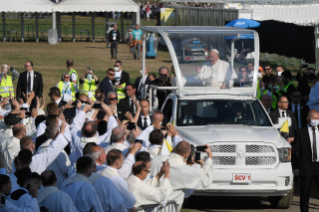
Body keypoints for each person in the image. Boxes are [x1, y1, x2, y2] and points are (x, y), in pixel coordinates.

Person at [150, 141, 213, 210]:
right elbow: (206, 176)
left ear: (175, 148)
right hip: (168, 208)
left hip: (149, 204)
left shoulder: (157, 158)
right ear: (187, 154)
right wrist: (209, 156)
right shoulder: (185, 170)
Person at [292, 109, 319, 212]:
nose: (316, 121)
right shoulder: (301, 132)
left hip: (318, 166)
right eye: (314, 118)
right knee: (304, 194)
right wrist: (296, 167)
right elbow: (295, 151)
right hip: (306, 166)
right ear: (308, 119)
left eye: (317, 119)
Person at [37, 125, 71, 190]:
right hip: (58, 182)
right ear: (57, 134)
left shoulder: (40, 148)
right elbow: (66, 168)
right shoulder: (58, 149)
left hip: (44, 182)